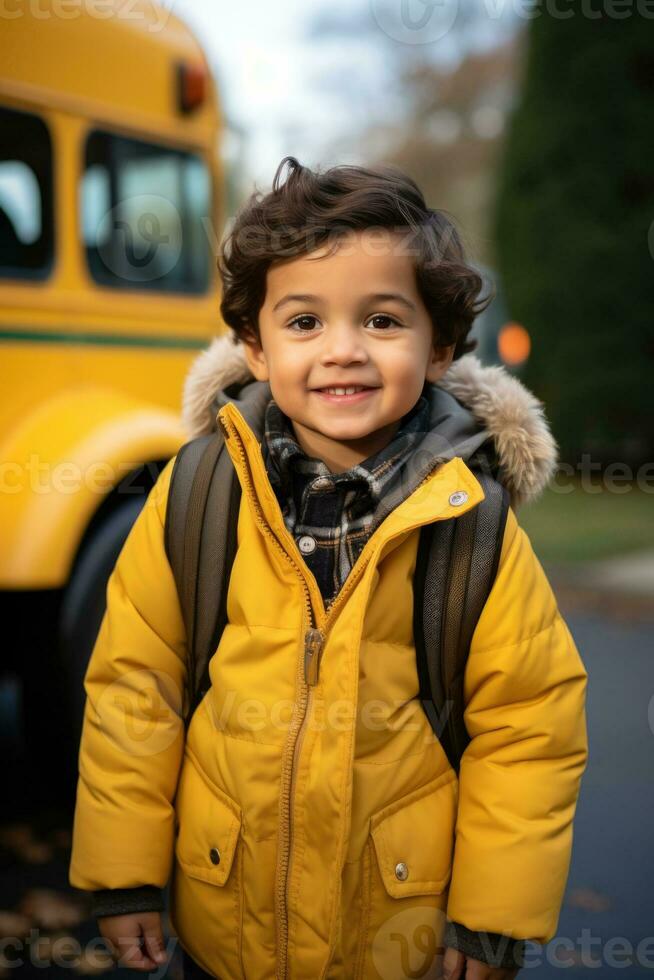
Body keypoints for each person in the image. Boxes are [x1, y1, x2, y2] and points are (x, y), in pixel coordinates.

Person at [68, 156, 589, 979]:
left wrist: (489, 921)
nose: (342, 351)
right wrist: (124, 872)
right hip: (222, 918)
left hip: (395, 933)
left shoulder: (472, 521)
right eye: (304, 323)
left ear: (440, 345)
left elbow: (530, 728)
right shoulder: (202, 493)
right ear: (256, 346)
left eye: (382, 321)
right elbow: (137, 687)